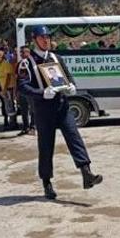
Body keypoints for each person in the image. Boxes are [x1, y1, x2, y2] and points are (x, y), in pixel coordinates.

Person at [18, 26, 102, 200]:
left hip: (61, 105)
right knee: (46, 146)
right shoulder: (28, 62)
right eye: (42, 37)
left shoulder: (56, 57)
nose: (46, 40)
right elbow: (22, 86)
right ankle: (47, 183)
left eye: (48, 37)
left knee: (74, 137)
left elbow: (68, 77)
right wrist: (41, 93)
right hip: (43, 109)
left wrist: (72, 86)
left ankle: (86, 173)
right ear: (34, 39)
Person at [17, 46, 35, 136]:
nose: (22, 54)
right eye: (21, 52)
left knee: (32, 109)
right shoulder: (19, 63)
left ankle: (33, 127)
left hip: (30, 90)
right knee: (23, 110)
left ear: (28, 53)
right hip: (21, 91)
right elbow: (17, 77)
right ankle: (25, 127)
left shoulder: (32, 63)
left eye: (23, 52)